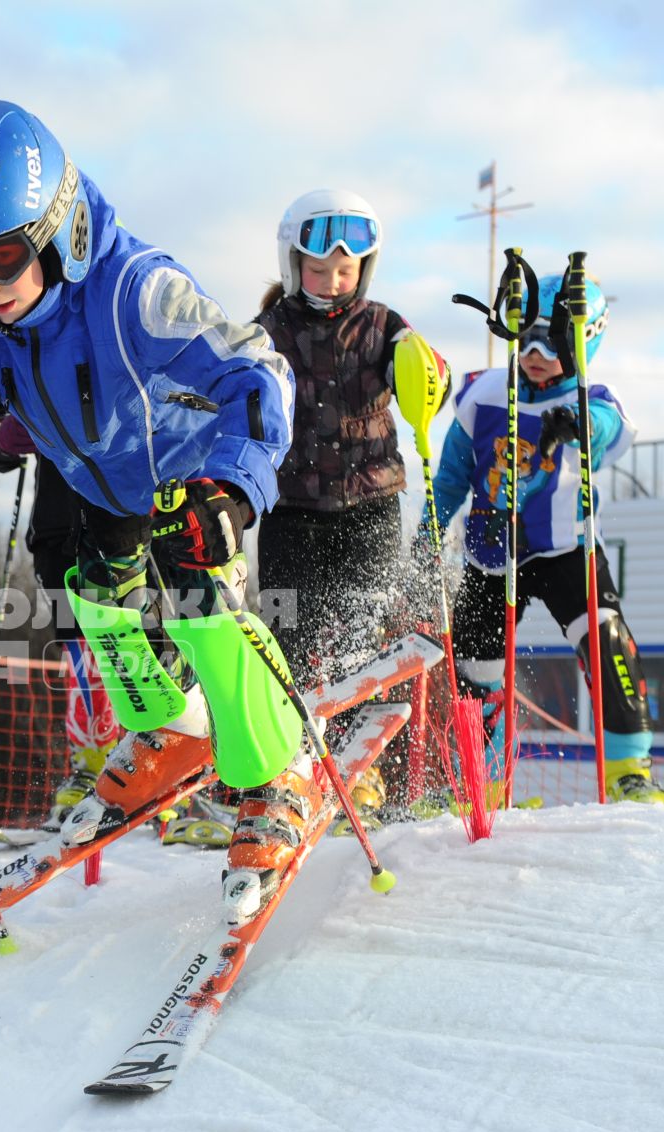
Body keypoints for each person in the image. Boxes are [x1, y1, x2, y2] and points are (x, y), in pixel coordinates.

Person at [0, 100, 317, 925]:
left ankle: (270, 774)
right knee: (90, 597)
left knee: (201, 602)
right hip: (98, 480)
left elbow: (262, 379)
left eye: (1, 258)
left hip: (187, 477)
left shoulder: (137, 291)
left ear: (59, 229)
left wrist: (232, 490)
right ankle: (172, 731)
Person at [433, 264, 664, 804]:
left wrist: (579, 422)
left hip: (568, 551)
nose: (536, 354)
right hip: (493, 556)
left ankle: (629, 770)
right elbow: (450, 476)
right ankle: (481, 784)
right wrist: (429, 531)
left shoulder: (592, 396)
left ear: (585, 343)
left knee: (606, 641)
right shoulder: (482, 394)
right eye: (527, 338)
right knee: (476, 669)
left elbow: (606, 430)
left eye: (552, 341)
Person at [253, 189, 444, 817]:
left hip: (369, 509)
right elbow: (229, 385)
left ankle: (360, 773)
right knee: (289, 638)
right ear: (292, 263)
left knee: (360, 639)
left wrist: (424, 373)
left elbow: (425, 375)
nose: (333, 282)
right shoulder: (270, 330)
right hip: (291, 511)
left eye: (346, 271)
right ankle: (286, 770)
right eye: (318, 268)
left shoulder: (384, 325)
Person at [0, 390, 119, 828]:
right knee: (79, 652)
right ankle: (89, 765)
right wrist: (8, 435)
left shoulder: (116, 327)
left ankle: (146, 761)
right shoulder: (15, 344)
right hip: (57, 528)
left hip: (121, 514)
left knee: (132, 646)